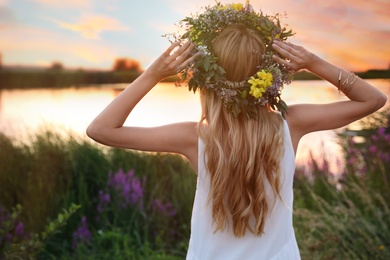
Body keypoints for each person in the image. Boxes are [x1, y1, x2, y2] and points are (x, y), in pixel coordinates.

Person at [86, 2, 387, 259]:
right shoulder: (291, 124)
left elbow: (101, 130)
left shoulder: (195, 138)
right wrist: (312, 62)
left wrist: (153, 74)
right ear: (270, 74)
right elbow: (373, 99)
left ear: (206, 78)